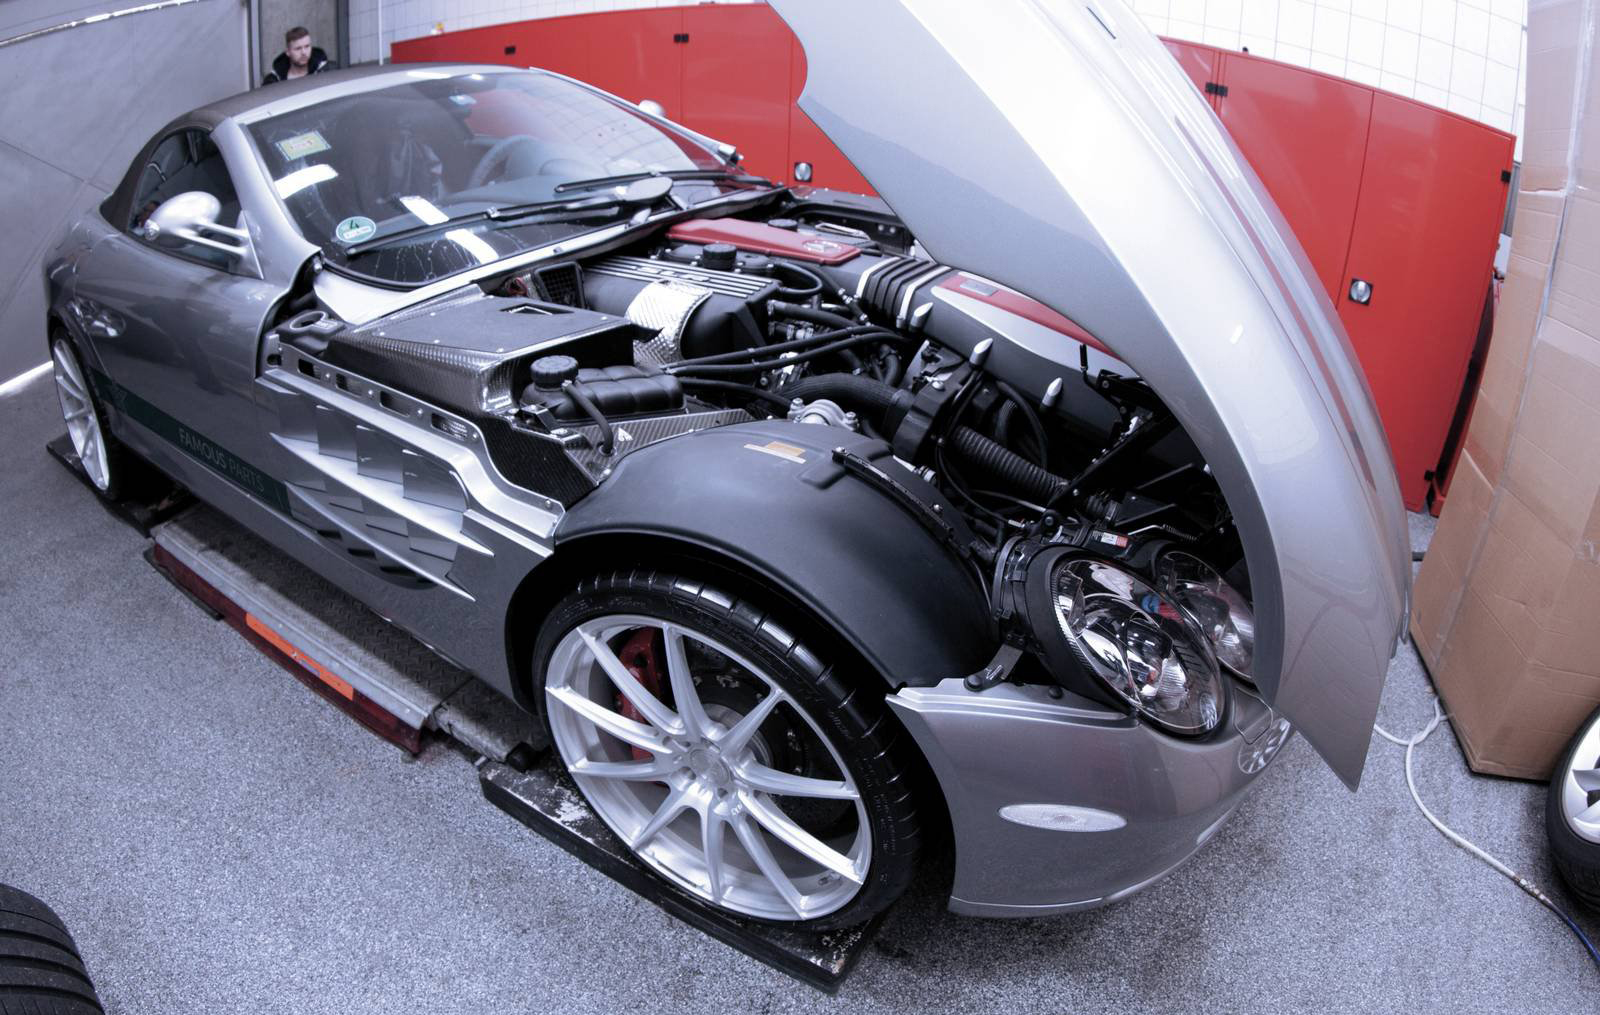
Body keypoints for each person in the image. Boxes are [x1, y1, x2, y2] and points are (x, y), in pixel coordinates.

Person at [262, 26, 334, 85]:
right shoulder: (274, 81)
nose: (304, 52)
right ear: (288, 52)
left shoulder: (327, 71)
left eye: (307, 46)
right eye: (298, 48)